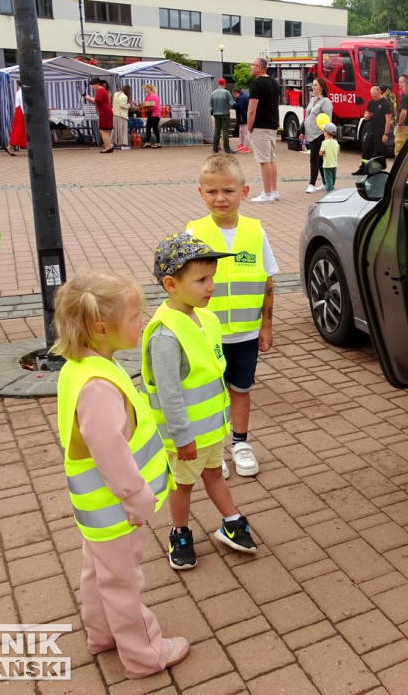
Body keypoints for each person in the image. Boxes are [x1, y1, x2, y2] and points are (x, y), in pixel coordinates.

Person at [49, 271, 190, 679]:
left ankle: (102, 634)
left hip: (96, 508)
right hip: (118, 508)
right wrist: (137, 496)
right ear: (100, 327)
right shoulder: (98, 384)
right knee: (124, 581)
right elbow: (109, 450)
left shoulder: (80, 368)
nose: (141, 322)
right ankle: (145, 654)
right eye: (133, 317)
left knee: (98, 572)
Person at [142, 232, 260, 570]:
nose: (211, 286)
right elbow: (169, 393)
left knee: (213, 474)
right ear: (171, 284)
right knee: (183, 485)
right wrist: (182, 437)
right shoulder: (165, 335)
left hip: (209, 429)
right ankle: (179, 533)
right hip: (186, 437)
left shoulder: (205, 317)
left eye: (212, 278)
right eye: (202, 280)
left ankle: (231, 521)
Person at [185, 154, 277, 477]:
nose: (220, 198)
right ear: (200, 193)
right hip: (206, 336)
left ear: (245, 192)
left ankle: (240, 443)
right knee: (209, 394)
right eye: (212, 192)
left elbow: (267, 281)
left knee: (240, 389)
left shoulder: (256, 232)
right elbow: (184, 286)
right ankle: (214, 451)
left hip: (246, 334)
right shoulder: (193, 233)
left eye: (228, 191)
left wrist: (266, 325)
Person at [246, 57, 280, 202]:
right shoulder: (274, 82)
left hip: (260, 126)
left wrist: (249, 126)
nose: (250, 67)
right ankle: (274, 190)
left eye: (252, 65)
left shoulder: (257, 83)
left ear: (259, 67)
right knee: (271, 159)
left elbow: (252, 109)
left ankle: (267, 194)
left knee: (264, 160)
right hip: (272, 125)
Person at [302, 77, 333, 193]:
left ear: (322, 87)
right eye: (312, 85)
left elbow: (327, 119)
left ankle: (311, 184)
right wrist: (303, 128)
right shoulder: (312, 100)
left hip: (319, 134)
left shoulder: (326, 102)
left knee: (314, 159)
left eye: (315, 85)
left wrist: (327, 134)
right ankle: (325, 183)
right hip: (310, 133)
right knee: (319, 160)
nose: (313, 87)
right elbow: (308, 115)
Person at [356, 85, 391, 174]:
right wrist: (367, 116)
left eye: (375, 95)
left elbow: (388, 120)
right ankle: (363, 168)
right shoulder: (371, 103)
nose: (374, 97)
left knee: (378, 151)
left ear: (379, 93)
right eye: (372, 95)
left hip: (380, 130)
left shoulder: (385, 103)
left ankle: (377, 169)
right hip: (371, 128)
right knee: (367, 148)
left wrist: (386, 134)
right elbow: (366, 116)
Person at [85, 78, 113, 153]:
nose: (92, 87)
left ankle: (107, 147)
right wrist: (90, 98)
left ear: (97, 84)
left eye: (93, 85)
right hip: (106, 111)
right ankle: (109, 146)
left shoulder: (100, 90)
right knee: (105, 130)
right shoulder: (102, 90)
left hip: (104, 111)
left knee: (102, 130)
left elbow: (97, 101)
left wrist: (89, 98)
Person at [209, 78, 234, 154]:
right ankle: (227, 148)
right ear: (224, 84)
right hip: (225, 113)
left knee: (217, 131)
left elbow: (211, 105)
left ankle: (214, 149)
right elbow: (232, 104)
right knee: (225, 131)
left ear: (218, 84)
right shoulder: (227, 92)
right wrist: (228, 107)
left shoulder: (213, 93)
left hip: (216, 114)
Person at [319, 122, 339, 193]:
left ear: (327, 132)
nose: (323, 132)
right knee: (333, 179)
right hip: (334, 164)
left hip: (327, 165)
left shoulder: (324, 143)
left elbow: (321, 153)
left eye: (324, 130)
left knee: (328, 180)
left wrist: (323, 152)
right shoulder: (336, 142)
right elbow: (338, 153)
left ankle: (329, 192)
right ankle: (332, 189)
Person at [140, 84, 161, 148]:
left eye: (145, 88)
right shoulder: (147, 96)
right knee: (148, 128)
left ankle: (158, 143)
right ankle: (147, 142)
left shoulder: (155, 96)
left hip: (155, 114)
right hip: (150, 114)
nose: (144, 90)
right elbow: (145, 103)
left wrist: (149, 108)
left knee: (155, 128)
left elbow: (156, 106)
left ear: (149, 88)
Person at [8, 84, 26, 153]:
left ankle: (10, 145)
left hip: (20, 111)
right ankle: (10, 145)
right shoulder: (21, 92)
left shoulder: (20, 92)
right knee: (18, 129)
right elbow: (22, 103)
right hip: (21, 111)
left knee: (18, 129)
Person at [112, 84, 130, 150]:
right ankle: (123, 145)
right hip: (122, 115)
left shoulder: (116, 94)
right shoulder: (125, 96)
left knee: (114, 130)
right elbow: (122, 105)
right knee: (123, 130)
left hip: (115, 114)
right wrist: (129, 105)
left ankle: (112, 143)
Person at [232, 87, 250, 152]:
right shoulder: (244, 97)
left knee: (244, 132)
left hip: (243, 117)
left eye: (234, 94)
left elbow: (240, 107)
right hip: (244, 116)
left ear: (236, 92)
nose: (234, 96)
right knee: (242, 131)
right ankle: (242, 145)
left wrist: (233, 105)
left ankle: (246, 147)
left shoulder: (241, 98)